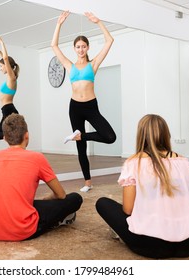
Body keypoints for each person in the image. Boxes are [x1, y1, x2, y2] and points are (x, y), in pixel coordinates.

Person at [95, 114, 189, 258]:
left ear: (141, 135)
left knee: (103, 203)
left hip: (152, 246)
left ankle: (124, 234)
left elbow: (128, 209)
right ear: (166, 134)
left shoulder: (133, 163)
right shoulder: (184, 162)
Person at [0, 114, 83, 241]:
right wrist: (47, 200)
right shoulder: (36, 158)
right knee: (75, 198)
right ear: (27, 135)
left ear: (5, 138)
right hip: (20, 230)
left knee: (23, 203)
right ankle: (56, 221)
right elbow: (60, 195)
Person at [51, 11, 116, 192]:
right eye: (78, 47)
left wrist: (99, 22)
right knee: (81, 149)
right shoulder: (69, 65)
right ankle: (87, 182)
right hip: (75, 108)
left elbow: (109, 41)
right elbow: (54, 45)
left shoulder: (93, 64)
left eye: (83, 46)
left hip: (91, 106)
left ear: (87, 48)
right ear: (74, 49)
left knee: (110, 136)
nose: (80, 49)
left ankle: (79, 135)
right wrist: (59, 24)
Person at [0, 36, 20, 140]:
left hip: (9, 110)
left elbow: (5, 59)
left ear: (6, 66)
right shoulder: (10, 78)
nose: (0, 68)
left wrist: (2, 44)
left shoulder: (11, 77)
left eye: (1, 66)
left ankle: (16, 139)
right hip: (6, 110)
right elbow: (5, 60)